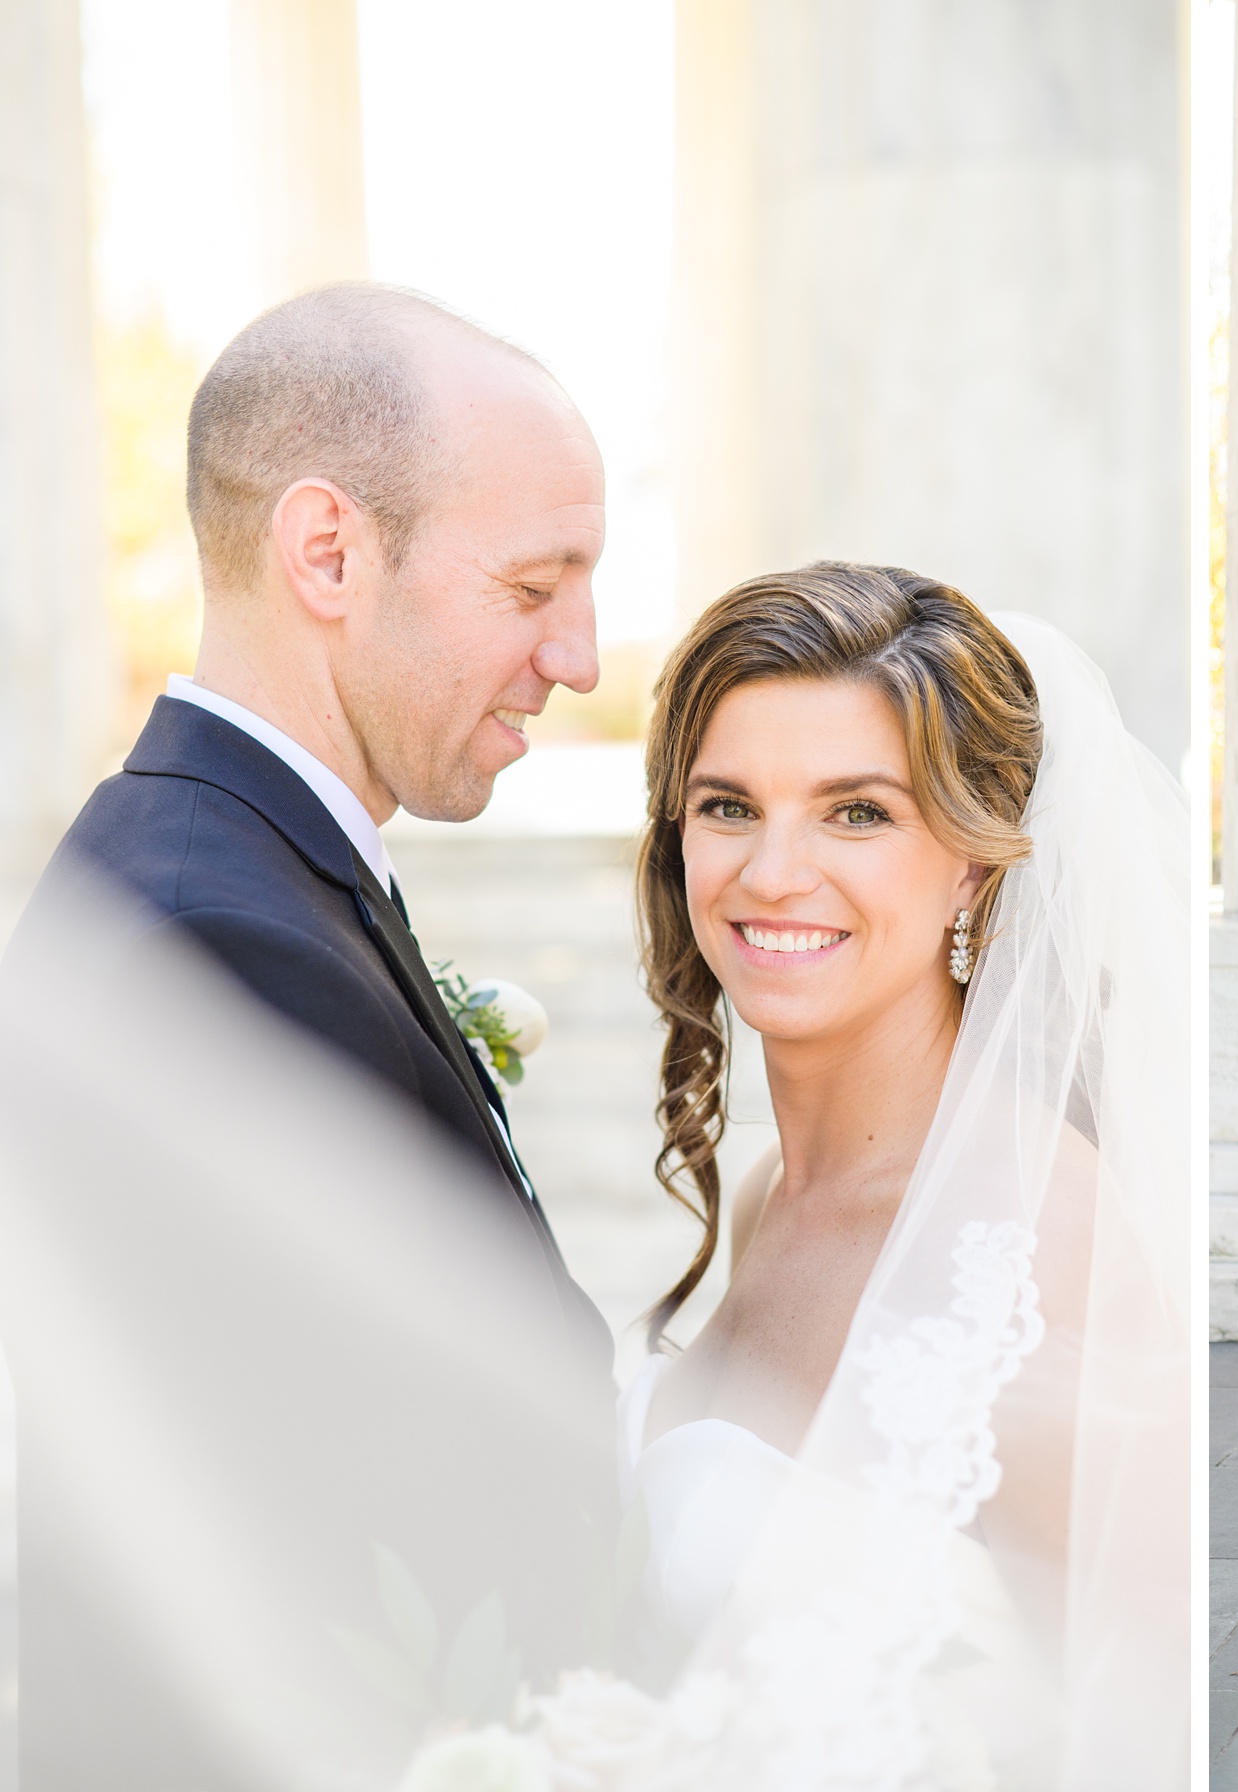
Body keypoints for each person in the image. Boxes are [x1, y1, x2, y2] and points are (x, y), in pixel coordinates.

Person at [5, 284, 618, 1788]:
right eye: (536, 586)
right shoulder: (221, 944)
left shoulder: (234, 860)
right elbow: (326, 1576)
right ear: (329, 553)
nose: (585, 655)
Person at [612, 564, 1190, 1786]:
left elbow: (1141, 1719)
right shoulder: (780, 1187)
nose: (770, 871)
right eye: (727, 805)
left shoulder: (1035, 1247)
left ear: (975, 865)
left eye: (856, 812)